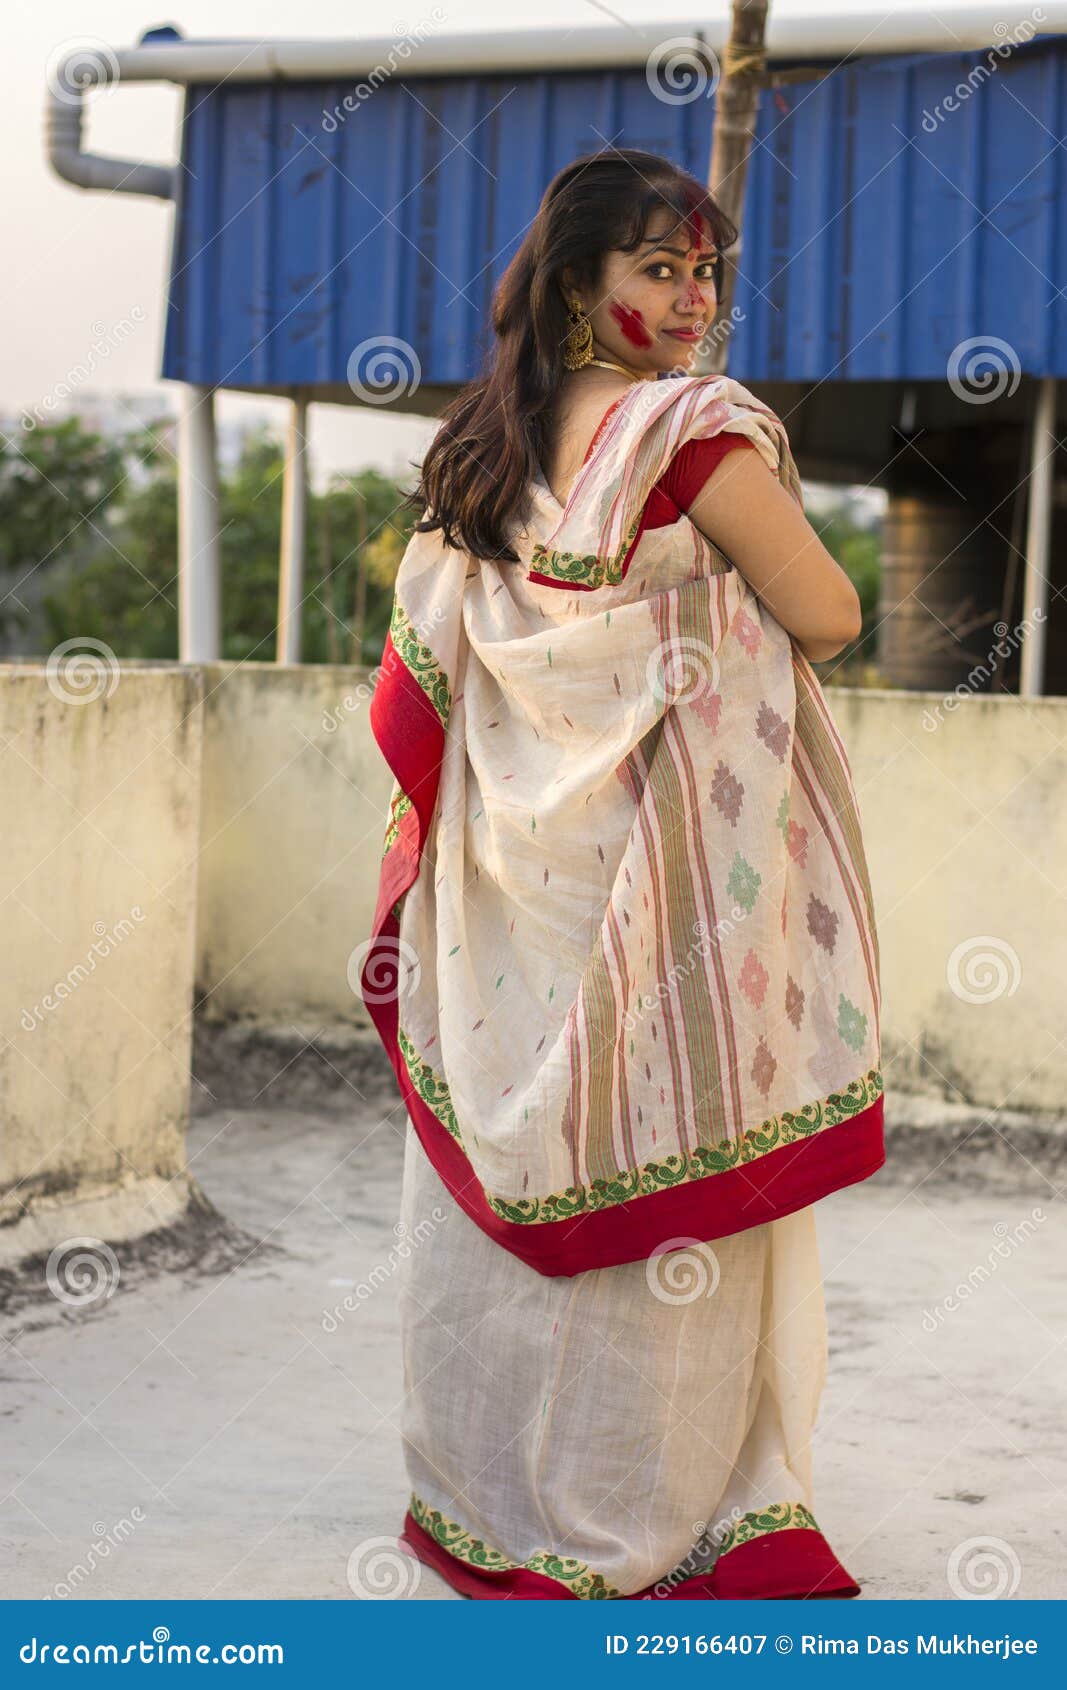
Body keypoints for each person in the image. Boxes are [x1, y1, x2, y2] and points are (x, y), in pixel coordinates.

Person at [361, 147, 885, 1600]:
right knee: (666, 1165)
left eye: (705, 268)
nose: (692, 296)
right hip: (658, 888)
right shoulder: (693, 441)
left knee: (523, 1176)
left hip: (513, 892)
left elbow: (443, 679)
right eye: (658, 267)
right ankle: (643, 1511)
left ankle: (485, 1503)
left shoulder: (490, 448)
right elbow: (830, 612)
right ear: (583, 285)